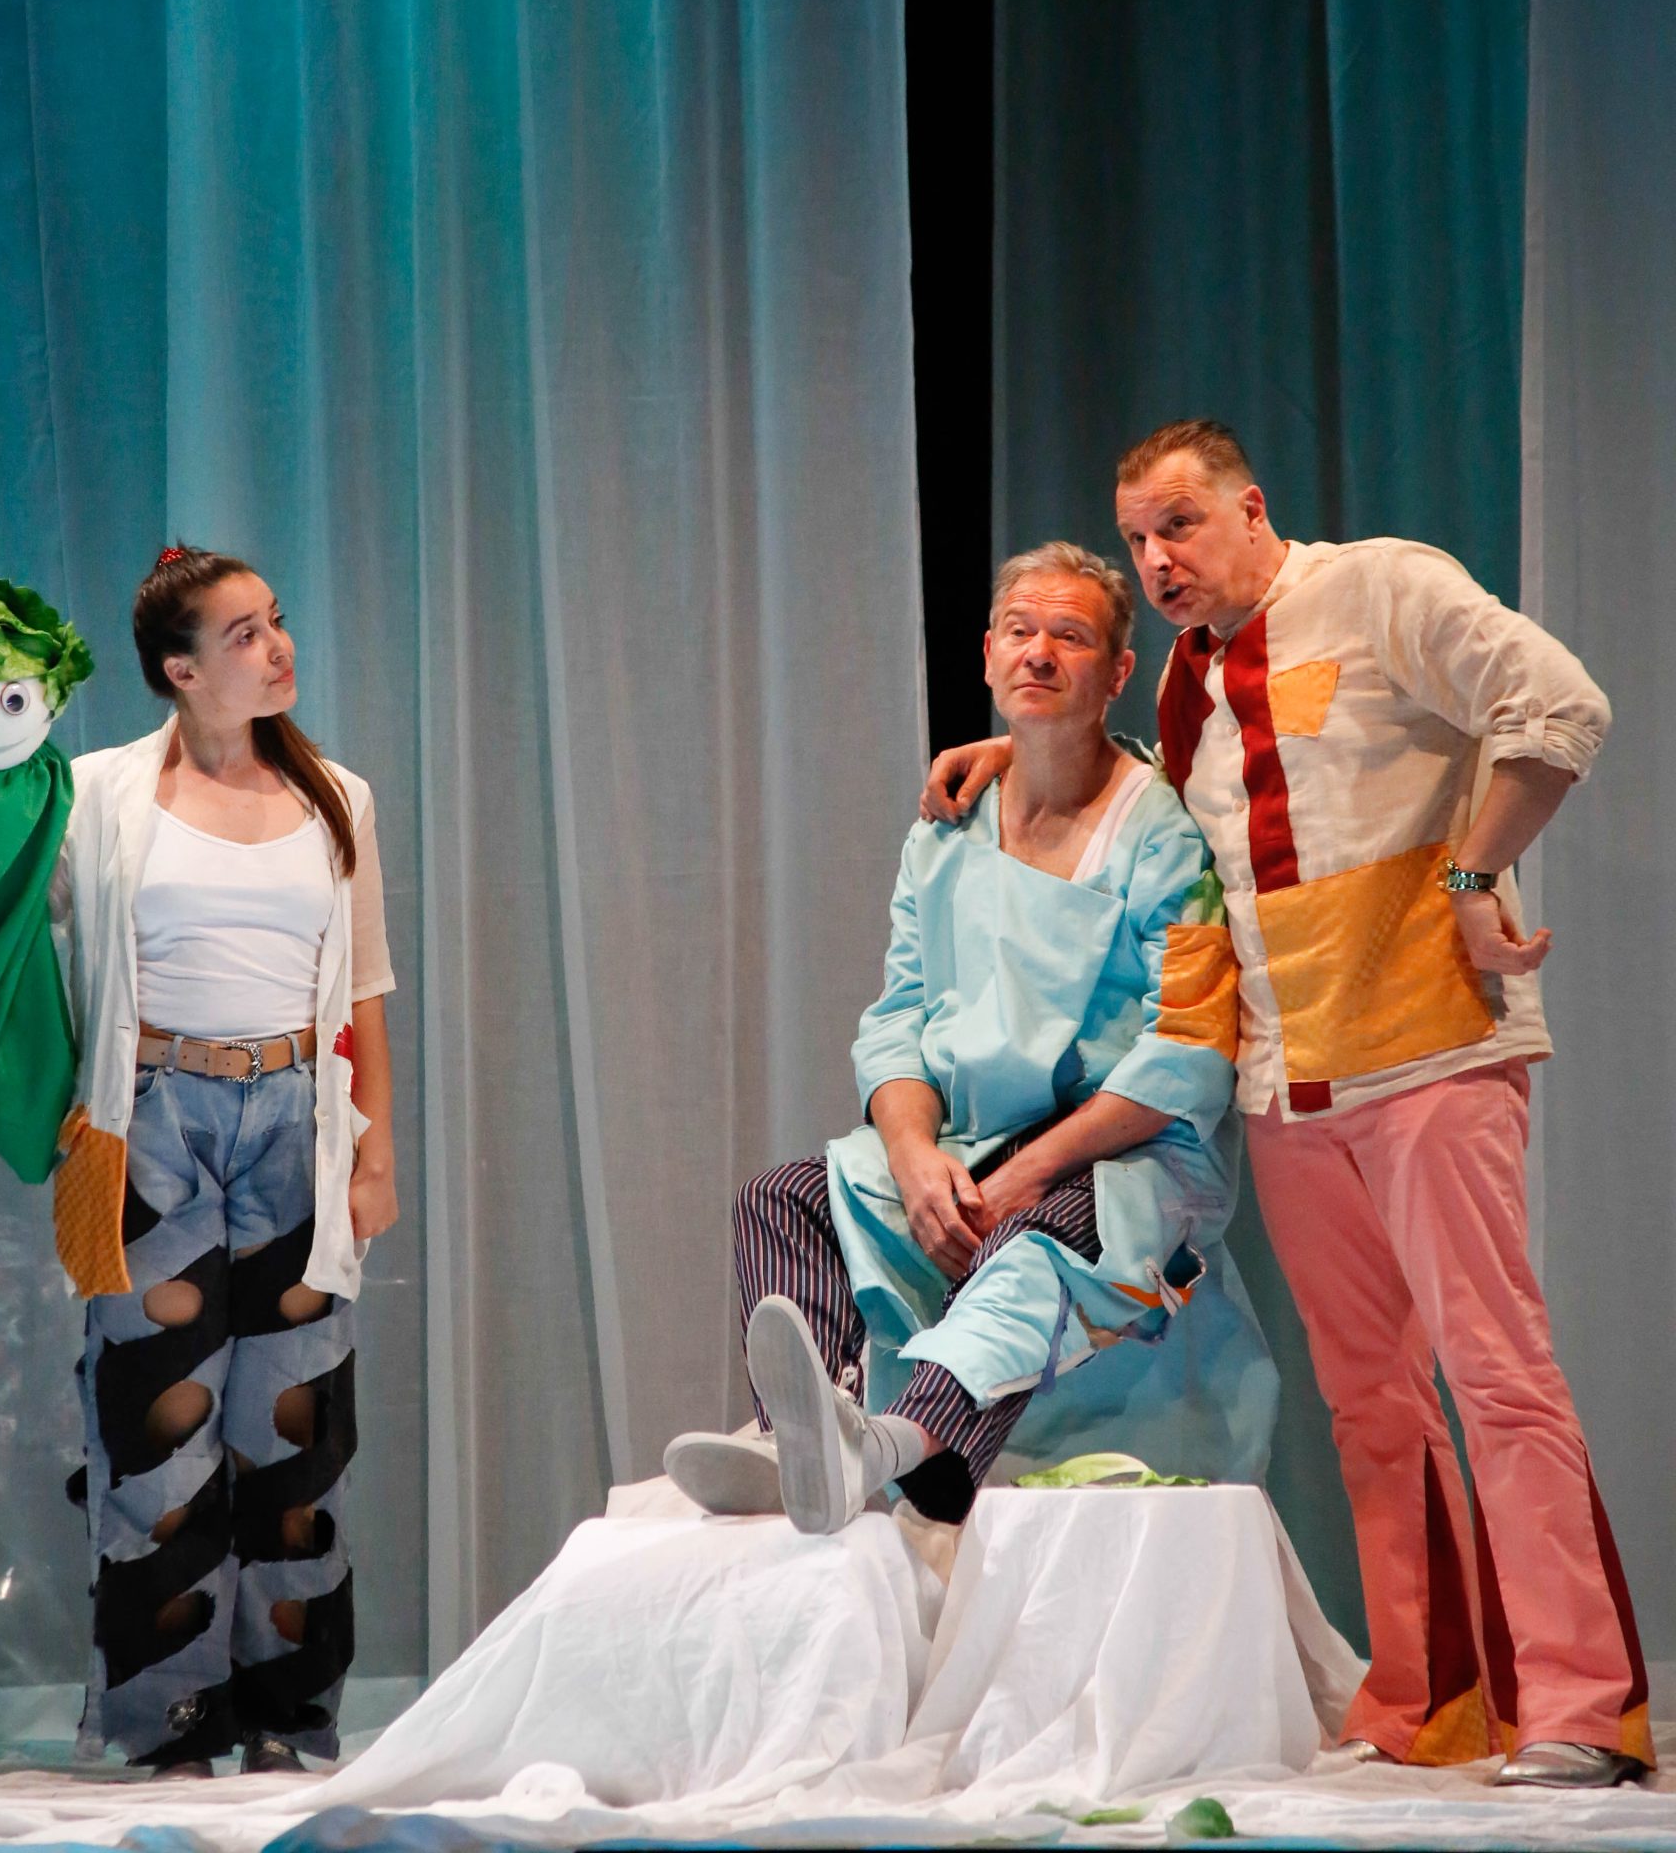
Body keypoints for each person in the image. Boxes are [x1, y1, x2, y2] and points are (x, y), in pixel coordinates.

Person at [924, 423, 1651, 1790]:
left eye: (1179, 524)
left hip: (1426, 1054)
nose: (1156, 559)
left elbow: (1559, 705)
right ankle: (1428, 1696)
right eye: (1137, 538)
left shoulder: (1378, 586)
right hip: (1287, 1084)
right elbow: (1162, 803)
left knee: (1496, 1374)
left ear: (1249, 507)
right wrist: (1015, 745)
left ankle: (1579, 1701)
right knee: (1369, 1398)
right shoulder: (1186, 679)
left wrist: (1472, 875)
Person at [666, 540, 1275, 1539]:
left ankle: (895, 1447)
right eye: (1020, 631)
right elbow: (900, 1014)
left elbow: (1187, 1054)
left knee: (1037, 1243)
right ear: (986, 653)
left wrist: (1027, 1172)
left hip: (1122, 1150)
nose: (1039, 652)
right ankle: (804, 1437)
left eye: (1070, 636)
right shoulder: (945, 827)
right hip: (969, 1141)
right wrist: (912, 1156)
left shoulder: (1159, 835)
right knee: (784, 1199)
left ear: (1117, 671)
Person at [50, 545, 397, 1775]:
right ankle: (171, 1725)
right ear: (180, 669)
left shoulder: (335, 797)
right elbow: (24, 938)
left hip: (296, 1119)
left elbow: (364, 989)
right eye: (244, 632)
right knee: (159, 1431)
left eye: (276, 620)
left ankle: (290, 1716)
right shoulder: (95, 794)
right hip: (151, 1121)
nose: (277, 645)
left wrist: (374, 1153)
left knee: (293, 1430)